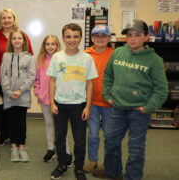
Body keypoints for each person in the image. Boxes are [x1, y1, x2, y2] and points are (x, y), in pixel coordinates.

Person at [93, 20, 168, 180]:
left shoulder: (155, 60)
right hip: (117, 108)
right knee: (111, 142)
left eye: (137, 35)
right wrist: (107, 95)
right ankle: (113, 173)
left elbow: (161, 90)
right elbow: (108, 76)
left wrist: (149, 107)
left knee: (135, 148)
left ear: (146, 37)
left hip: (139, 112)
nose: (132, 39)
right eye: (129, 35)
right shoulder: (118, 53)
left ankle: (132, 177)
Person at [47, 23, 98, 180]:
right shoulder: (57, 57)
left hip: (79, 105)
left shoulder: (86, 58)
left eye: (76, 36)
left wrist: (88, 107)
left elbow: (90, 84)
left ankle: (78, 168)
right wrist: (52, 103)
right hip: (60, 104)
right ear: (63, 38)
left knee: (80, 140)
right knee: (60, 138)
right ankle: (62, 164)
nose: (72, 40)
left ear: (81, 38)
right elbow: (52, 81)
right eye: (68, 36)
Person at [0, 8, 33, 146]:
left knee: (17, 111)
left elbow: (29, 54)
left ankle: (16, 138)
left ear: (14, 19)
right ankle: (4, 135)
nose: (6, 20)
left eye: (9, 17)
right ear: (0, 21)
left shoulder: (22, 35)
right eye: (4, 18)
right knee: (2, 110)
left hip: (19, 81)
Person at [34, 35, 72, 165]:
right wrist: (38, 92)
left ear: (57, 46)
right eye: (48, 44)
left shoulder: (62, 59)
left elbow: (65, 78)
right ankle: (51, 149)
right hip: (44, 99)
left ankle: (67, 152)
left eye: (53, 44)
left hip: (59, 99)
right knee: (49, 124)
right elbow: (37, 79)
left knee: (61, 127)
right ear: (44, 46)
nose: (50, 46)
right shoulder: (40, 60)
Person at [0, 30, 35, 162]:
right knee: (12, 122)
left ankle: (22, 147)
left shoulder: (30, 57)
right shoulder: (6, 56)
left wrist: (20, 91)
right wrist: (8, 92)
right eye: (14, 38)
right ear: (11, 41)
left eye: (19, 38)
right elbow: (3, 75)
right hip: (9, 96)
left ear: (24, 41)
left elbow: (31, 77)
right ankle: (14, 148)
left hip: (23, 95)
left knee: (21, 122)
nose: (16, 40)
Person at [83, 25, 114, 173]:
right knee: (93, 133)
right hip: (91, 102)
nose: (100, 38)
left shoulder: (115, 55)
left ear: (109, 38)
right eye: (97, 35)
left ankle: (109, 162)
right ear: (92, 38)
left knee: (109, 134)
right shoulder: (85, 54)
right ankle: (92, 160)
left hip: (110, 103)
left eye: (104, 35)